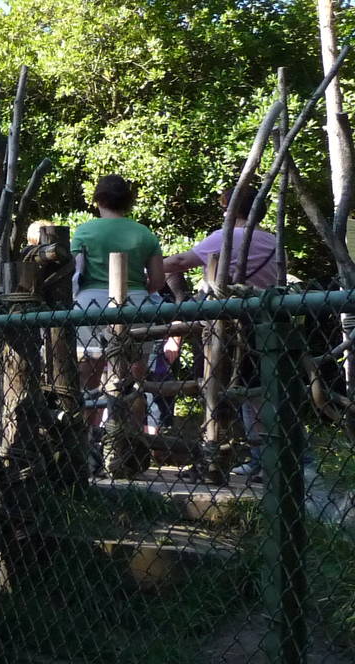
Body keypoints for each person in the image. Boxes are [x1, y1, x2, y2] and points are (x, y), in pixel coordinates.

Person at [163, 176, 292, 481]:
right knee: (258, 393)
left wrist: (149, 268)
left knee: (217, 391)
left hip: (228, 328)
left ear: (231, 210)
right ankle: (265, 457)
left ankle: (216, 456)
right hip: (265, 324)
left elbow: (183, 260)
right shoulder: (275, 243)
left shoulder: (226, 236)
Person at [70, 175, 166, 445]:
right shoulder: (144, 233)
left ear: (97, 199)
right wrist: (137, 290)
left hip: (90, 305)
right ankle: (130, 447)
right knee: (133, 381)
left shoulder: (84, 231)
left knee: (88, 378)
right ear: (129, 201)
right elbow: (158, 280)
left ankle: (86, 445)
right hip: (136, 304)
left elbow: (74, 274)